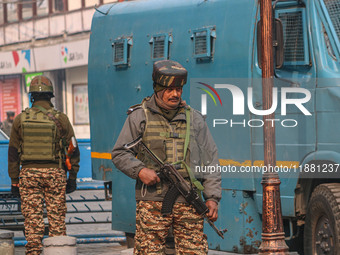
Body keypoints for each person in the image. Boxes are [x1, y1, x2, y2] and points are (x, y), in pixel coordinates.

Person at [112, 60, 222, 254]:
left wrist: (212, 197)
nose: (175, 94)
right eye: (169, 89)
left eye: (178, 89)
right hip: (152, 202)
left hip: (189, 201)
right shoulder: (140, 116)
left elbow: (210, 160)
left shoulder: (194, 119)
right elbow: (120, 153)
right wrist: (140, 171)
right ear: (157, 88)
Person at [8, 75, 80, 255]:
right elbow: (73, 149)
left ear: (32, 96)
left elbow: (13, 153)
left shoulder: (20, 119)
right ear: (50, 96)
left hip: (29, 174)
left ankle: (33, 251)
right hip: (55, 173)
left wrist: (14, 180)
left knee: (33, 221)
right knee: (56, 220)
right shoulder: (61, 119)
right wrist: (72, 178)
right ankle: (58, 251)